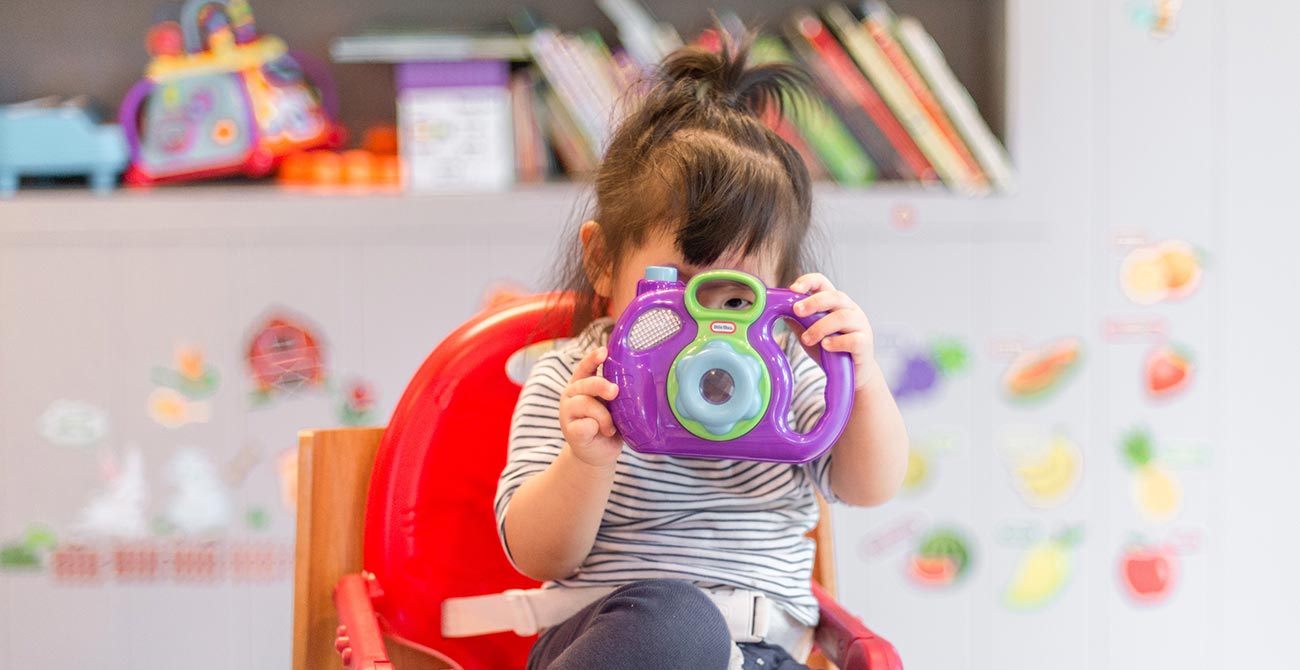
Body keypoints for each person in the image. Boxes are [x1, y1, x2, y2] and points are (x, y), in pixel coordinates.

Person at [494, 30, 909, 670]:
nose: (707, 326)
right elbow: (537, 554)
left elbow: (869, 485)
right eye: (679, 290)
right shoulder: (578, 383)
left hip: (766, 652)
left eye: (737, 297)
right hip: (619, 645)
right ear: (604, 262)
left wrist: (861, 376)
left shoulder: (786, 374)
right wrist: (586, 460)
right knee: (677, 622)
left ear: (780, 293)